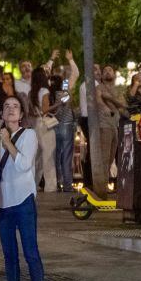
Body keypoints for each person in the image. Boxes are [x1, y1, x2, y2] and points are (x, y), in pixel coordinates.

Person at [0, 96, 47, 281]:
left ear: (22, 114)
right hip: (4, 203)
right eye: (7, 107)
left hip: (23, 200)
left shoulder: (29, 135)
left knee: (31, 252)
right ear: (2, 115)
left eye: (15, 107)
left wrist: (7, 142)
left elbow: (24, 165)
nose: (11, 110)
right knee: (9, 254)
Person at [50, 51, 79, 192]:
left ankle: (56, 183)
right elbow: (75, 74)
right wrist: (71, 60)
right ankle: (67, 185)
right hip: (67, 125)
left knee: (56, 156)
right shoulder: (65, 88)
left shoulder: (48, 90)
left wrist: (51, 59)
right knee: (67, 156)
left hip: (53, 125)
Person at [27, 67, 58, 193]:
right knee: (48, 156)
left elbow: (30, 112)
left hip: (35, 125)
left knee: (38, 157)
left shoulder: (31, 93)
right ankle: (50, 186)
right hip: (45, 125)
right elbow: (45, 110)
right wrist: (58, 104)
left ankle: (32, 184)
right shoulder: (44, 90)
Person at [96, 65, 125, 184]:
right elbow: (98, 100)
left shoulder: (118, 89)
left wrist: (109, 98)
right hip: (104, 125)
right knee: (105, 156)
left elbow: (122, 104)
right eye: (105, 71)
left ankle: (104, 183)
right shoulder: (99, 87)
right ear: (101, 76)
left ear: (114, 74)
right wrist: (105, 107)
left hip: (115, 125)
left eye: (110, 70)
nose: (108, 72)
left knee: (112, 156)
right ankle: (102, 186)